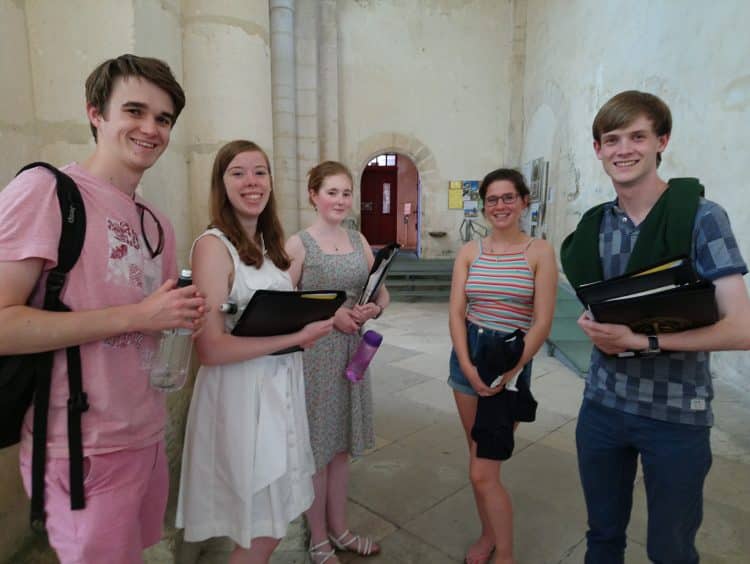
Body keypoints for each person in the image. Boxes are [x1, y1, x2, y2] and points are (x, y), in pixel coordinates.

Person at [0, 55, 206, 563]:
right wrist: (139, 316)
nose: (150, 129)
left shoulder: (156, 221)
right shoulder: (46, 192)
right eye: (134, 111)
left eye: (163, 119)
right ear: (95, 112)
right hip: (79, 447)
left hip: (146, 433)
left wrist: (177, 319)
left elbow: (155, 322)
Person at [561, 90, 750, 563]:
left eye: (637, 136)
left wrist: (640, 340)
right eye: (612, 139)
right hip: (603, 407)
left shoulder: (702, 219)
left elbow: (741, 329)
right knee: (602, 537)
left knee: (671, 548)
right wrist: (597, 325)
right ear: (598, 150)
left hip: (676, 414)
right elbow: (602, 306)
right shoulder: (594, 228)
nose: (624, 149)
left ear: (662, 141)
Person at [176, 140, 334, 564]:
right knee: (260, 528)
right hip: (241, 397)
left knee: (272, 522)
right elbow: (210, 347)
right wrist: (296, 338)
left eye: (260, 172)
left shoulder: (267, 248)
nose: (252, 182)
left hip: (278, 388)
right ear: (221, 183)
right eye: (238, 172)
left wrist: (321, 316)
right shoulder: (212, 246)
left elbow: (266, 313)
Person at [448, 168, 557, 564]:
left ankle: (505, 554)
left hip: (511, 354)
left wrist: (511, 370)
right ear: (483, 206)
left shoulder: (539, 251)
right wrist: (466, 363)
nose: (500, 206)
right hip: (469, 353)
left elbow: (542, 320)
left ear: (524, 201)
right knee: (477, 457)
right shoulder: (469, 252)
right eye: (492, 199)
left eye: (509, 197)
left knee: (484, 469)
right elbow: (457, 312)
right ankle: (488, 536)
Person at [285, 161, 389, 564]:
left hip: (354, 350)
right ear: (313, 194)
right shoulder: (299, 245)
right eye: (332, 192)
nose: (341, 200)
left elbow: (381, 292)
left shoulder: (358, 239)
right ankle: (317, 538)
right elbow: (286, 305)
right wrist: (332, 318)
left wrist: (372, 312)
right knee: (318, 447)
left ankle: (341, 528)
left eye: (346, 193)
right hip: (316, 354)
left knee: (341, 445)